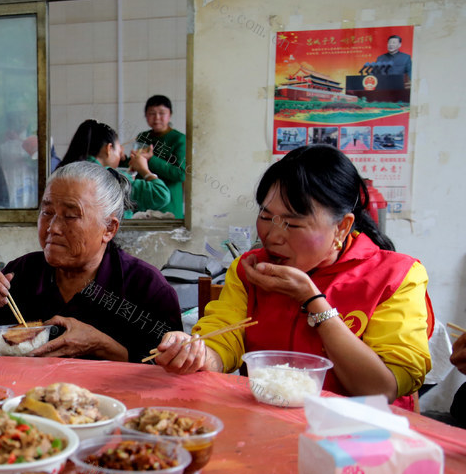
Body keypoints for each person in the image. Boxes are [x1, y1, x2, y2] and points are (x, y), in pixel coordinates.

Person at [154, 145, 432, 409]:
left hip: (360, 438)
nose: (272, 237)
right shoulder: (249, 269)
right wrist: (198, 354)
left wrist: (313, 300)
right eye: (266, 216)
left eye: (293, 224)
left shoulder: (397, 276)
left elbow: (383, 388)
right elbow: (224, 337)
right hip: (267, 423)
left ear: (342, 227)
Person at [0, 161, 182, 361]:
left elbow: (168, 372)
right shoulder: (20, 274)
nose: (52, 227)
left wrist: (101, 345)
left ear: (109, 228)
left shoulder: (147, 289)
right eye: (46, 212)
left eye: (70, 215)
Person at [57, 119, 170, 216]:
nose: (121, 157)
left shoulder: (64, 172)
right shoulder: (110, 178)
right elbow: (161, 195)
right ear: (108, 148)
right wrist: (144, 170)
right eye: (118, 150)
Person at [134, 95, 186, 217]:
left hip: (169, 206)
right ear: (146, 116)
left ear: (170, 115)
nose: (157, 118)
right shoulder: (143, 136)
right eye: (152, 113)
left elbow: (180, 174)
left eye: (162, 113)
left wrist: (151, 159)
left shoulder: (179, 139)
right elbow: (137, 166)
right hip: (144, 205)